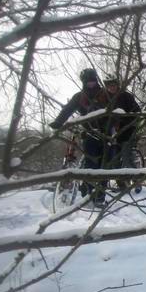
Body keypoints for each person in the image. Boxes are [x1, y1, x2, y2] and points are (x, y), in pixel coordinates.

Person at [49, 68, 109, 206]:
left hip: (106, 135)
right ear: (83, 82)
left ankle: (99, 197)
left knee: (104, 166)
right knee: (91, 165)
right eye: (88, 82)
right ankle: (89, 192)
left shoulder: (105, 94)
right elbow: (68, 109)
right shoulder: (79, 96)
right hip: (89, 134)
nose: (91, 84)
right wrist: (58, 122)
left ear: (96, 79)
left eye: (93, 81)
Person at [101, 73, 141, 185]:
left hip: (127, 132)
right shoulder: (105, 99)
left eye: (113, 85)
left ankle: (137, 181)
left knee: (127, 157)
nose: (111, 87)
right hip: (112, 135)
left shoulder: (126, 96)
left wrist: (125, 120)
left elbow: (137, 111)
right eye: (109, 85)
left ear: (117, 85)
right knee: (114, 160)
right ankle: (121, 183)